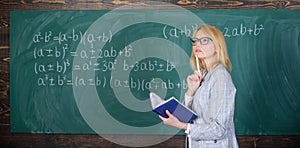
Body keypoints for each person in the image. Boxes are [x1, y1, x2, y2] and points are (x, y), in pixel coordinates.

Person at [159, 25, 239, 147]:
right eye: (195, 41)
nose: (197, 44)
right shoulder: (205, 76)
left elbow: (220, 129)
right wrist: (191, 92)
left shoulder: (220, 77)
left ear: (218, 46)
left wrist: (182, 126)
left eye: (204, 40)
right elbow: (189, 118)